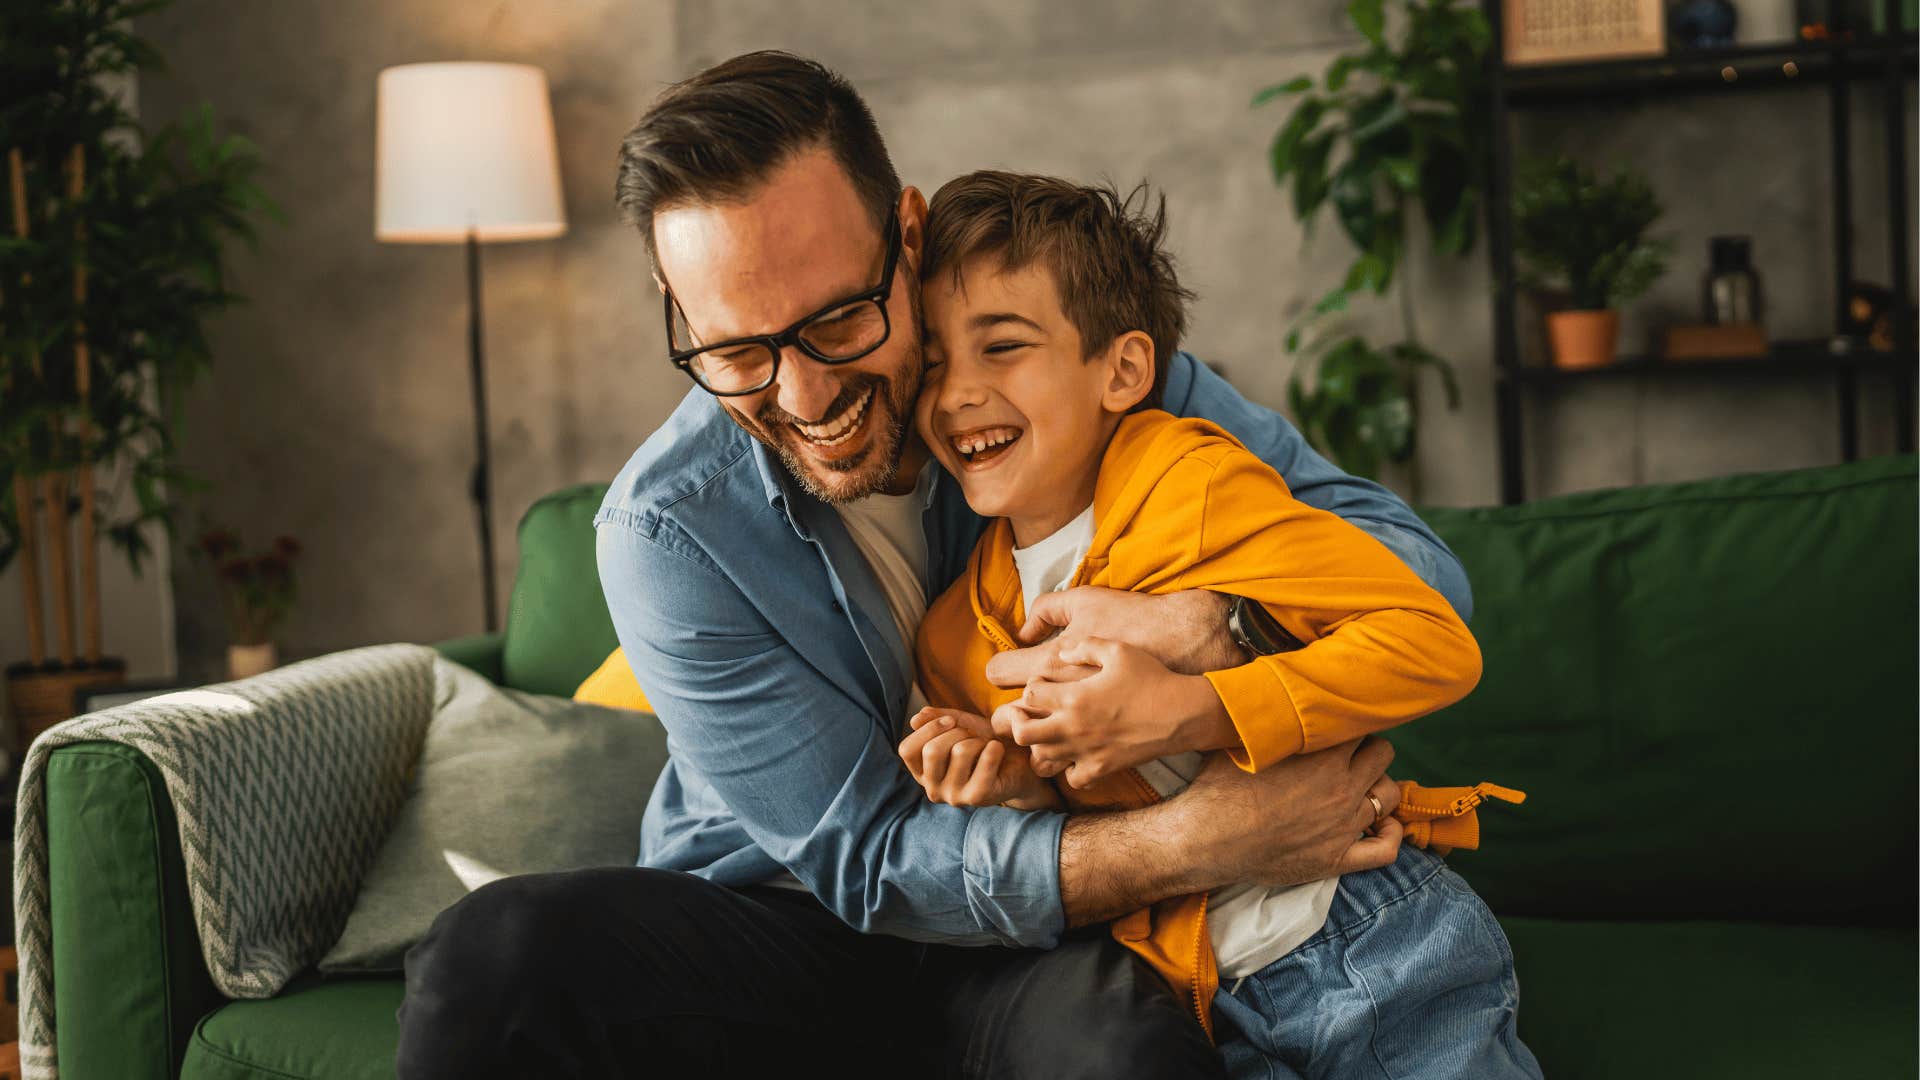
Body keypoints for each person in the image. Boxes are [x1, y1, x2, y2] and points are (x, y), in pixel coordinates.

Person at [396, 51, 1477, 1078]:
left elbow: (1420, 579)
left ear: (906, 234)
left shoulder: (1068, 369)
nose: (803, 398)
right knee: (490, 960)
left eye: (835, 321)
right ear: (679, 316)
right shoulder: (666, 531)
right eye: (735, 350)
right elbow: (867, 863)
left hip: (1044, 933)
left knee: (1114, 1054)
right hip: (787, 928)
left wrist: (1217, 631)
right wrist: (1196, 841)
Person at [895, 170, 1539, 1078]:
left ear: (1122, 370)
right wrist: (1009, 777)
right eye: (930, 362)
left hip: (1366, 938)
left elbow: (1431, 642)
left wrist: (1196, 709)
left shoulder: (1191, 482)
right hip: (1201, 993)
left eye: (1002, 346)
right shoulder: (957, 633)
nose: (955, 392)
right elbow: (1096, 814)